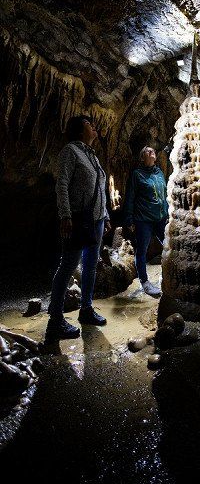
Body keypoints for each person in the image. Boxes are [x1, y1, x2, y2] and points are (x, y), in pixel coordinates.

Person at [45, 115, 111, 341]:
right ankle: (55, 320)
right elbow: (62, 184)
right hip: (78, 218)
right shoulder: (70, 152)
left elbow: (99, 188)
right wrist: (65, 214)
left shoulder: (92, 155)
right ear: (79, 130)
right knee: (69, 265)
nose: (94, 127)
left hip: (97, 219)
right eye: (90, 124)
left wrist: (106, 214)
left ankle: (86, 309)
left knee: (91, 265)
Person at [123, 146, 168, 297]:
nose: (151, 151)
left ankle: (169, 275)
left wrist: (167, 211)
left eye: (152, 150)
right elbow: (130, 197)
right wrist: (128, 219)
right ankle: (145, 282)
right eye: (147, 151)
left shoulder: (159, 172)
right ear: (142, 158)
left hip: (161, 218)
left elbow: (165, 193)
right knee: (141, 250)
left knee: (169, 246)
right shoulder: (137, 175)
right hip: (144, 219)